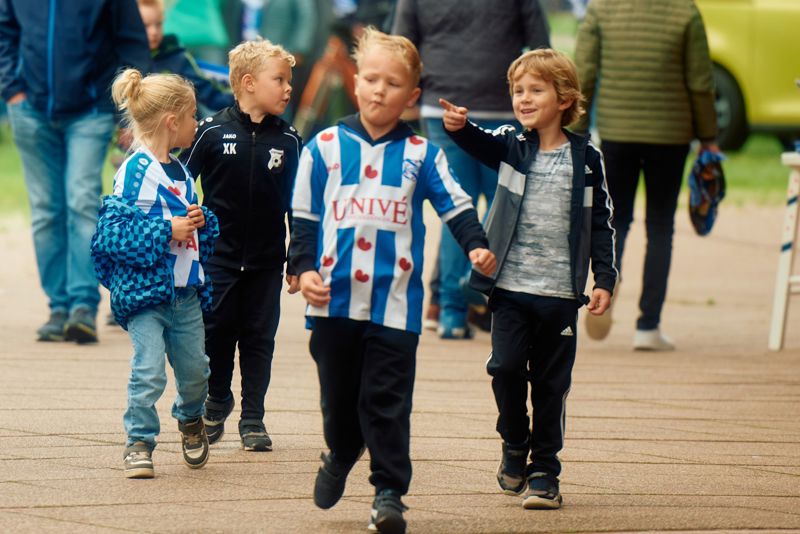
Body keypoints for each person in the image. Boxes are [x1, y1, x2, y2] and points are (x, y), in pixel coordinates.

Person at [288, 28, 496, 534]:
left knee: (386, 401)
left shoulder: (423, 154)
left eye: (394, 83)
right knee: (339, 402)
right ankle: (341, 452)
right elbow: (304, 217)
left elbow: (456, 205)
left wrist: (475, 244)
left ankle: (389, 492)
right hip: (333, 303)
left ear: (412, 96)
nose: (380, 90)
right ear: (357, 82)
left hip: (396, 307)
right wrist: (304, 269)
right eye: (372, 79)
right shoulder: (324, 147)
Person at [439, 48, 617, 509]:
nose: (523, 98)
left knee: (552, 386)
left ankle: (545, 471)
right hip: (511, 289)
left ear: (564, 99)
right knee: (505, 368)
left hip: (560, 294)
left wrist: (604, 279)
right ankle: (515, 441)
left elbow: (601, 223)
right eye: (518, 90)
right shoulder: (512, 144)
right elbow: (481, 144)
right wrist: (458, 128)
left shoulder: (587, 158)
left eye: (536, 90)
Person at [392, 0, 550, 339]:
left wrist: (411, 93)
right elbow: (540, 44)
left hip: (443, 103)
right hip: (503, 103)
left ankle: (451, 313)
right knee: (505, 203)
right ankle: (478, 283)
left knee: (456, 205)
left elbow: (402, 45)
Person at [91, 69, 219, 478]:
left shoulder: (181, 172)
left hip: (185, 293)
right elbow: (111, 235)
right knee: (148, 371)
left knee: (196, 372)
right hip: (146, 295)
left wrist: (201, 222)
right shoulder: (134, 171)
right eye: (192, 116)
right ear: (171, 121)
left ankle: (190, 418)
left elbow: (192, 233)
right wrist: (167, 230)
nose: (197, 123)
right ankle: (139, 442)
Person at [0, 0, 150, 343]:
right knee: (45, 210)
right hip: (29, 109)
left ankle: (82, 305)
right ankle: (58, 307)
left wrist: (128, 112)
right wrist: (12, 90)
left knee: (81, 200)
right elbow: (4, 32)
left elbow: (132, 43)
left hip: (91, 111)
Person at [574, 0, 718, 350]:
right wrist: (708, 136)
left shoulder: (601, 8)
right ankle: (648, 326)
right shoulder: (685, 11)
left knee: (616, 220)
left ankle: (604, 289)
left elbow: (584, 73)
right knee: (660, 226)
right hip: (670, 133)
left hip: (617, 131)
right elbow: (700, 81)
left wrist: (575, 132)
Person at [181, 39, 301, 452]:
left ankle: (253, 418)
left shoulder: (290, 140)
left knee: (258, 339)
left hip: (267, 262)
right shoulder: (211, 132)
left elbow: (299, 205)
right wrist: (182, 222)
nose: (288, 88)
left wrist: (298, 257)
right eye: (279, 80)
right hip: (218, 259)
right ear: (249, 83)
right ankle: (217, 397)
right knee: (215, 333)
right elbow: (179, 184)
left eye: (288, 80)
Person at [138, 0, 233, 116]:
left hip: (206, 39)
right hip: (208, 35)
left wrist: (243, 99)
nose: (154, 31)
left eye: (159, 24)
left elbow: (210, 93)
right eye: (146, 26)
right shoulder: (123, 59)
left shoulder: (177, 59)